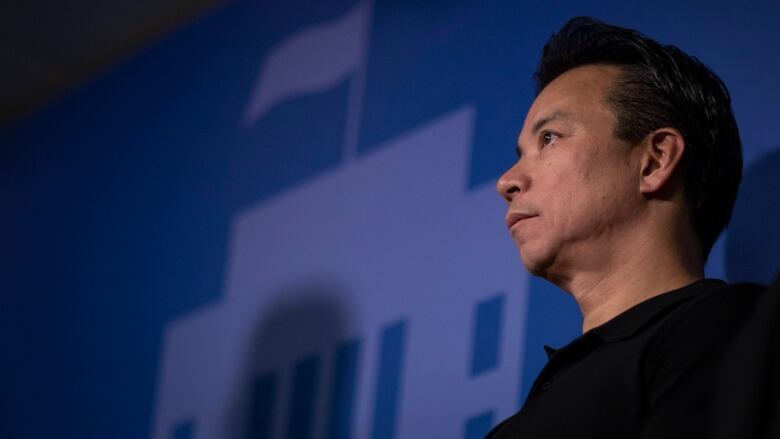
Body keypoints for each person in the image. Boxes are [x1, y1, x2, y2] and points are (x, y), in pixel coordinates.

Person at [488, 17, 764, 438]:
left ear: (654, 161)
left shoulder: (735, 333)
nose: (506, 181)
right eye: (521, 151)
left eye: (549, 139)